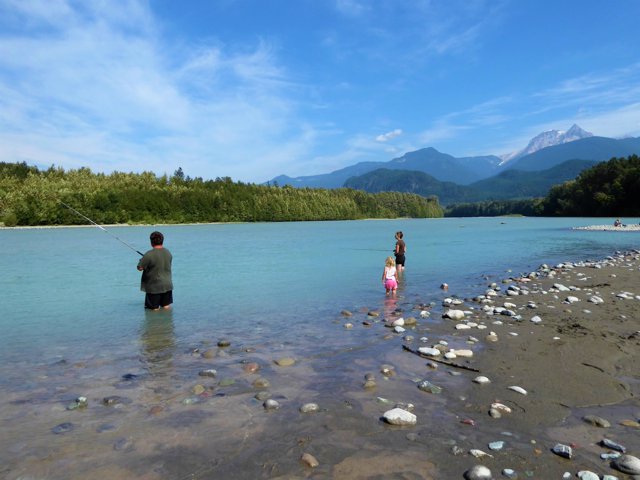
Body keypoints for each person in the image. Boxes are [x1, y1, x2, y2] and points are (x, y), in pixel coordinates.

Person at [137, 231, 173, 310]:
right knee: (166, 307)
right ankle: (168, 322)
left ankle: (155, 322)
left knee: (154, 309)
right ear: (162, 240)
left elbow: (140, 268)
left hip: (154, 287)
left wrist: (141, 260)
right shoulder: (168, 252)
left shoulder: (148, 254)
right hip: (167, 285)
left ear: (151, 242)